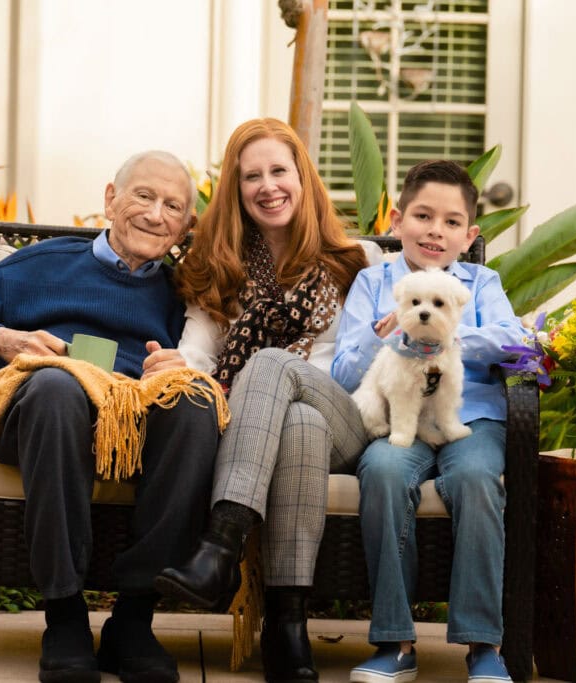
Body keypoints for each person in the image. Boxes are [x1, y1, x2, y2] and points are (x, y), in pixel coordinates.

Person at [0, 150, 220, 683]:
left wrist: (182, 363)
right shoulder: (39, 266)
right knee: (57, 386)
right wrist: (3, 338)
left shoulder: (181, 293)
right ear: (110, 199)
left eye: (172, 206)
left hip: (131, 427)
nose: (155, 214)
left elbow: (208, 355)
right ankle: (65, 617)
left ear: (186, 225)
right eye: (143, 195)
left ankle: (133, 623)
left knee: (193, 404)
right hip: (41, 415)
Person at [152, 117, 376, 682]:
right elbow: (199, 358)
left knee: (274, 364)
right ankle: (287, 627)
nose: (268, 186)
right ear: (236, 189)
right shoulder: (217, 267)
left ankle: (219, 546)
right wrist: (176, 364)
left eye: (280, 170)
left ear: (304, 178)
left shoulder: (358, 261)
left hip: (348, 420)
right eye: (252, 176)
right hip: (267, 431)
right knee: (297, 421)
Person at [331, 160, 525, 683]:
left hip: (471, 414)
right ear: (397, 220)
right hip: (400, 415)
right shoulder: (375, 282)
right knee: (387, 473)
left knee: (476, 479)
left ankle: (484, 644)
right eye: (422, 215)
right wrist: (386, 333)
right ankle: (395, 640)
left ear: (470, 234)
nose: (435, 230)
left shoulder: (481, 282)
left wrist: (451, 339)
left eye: (451, 221)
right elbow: (343, 368)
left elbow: (516, 341)